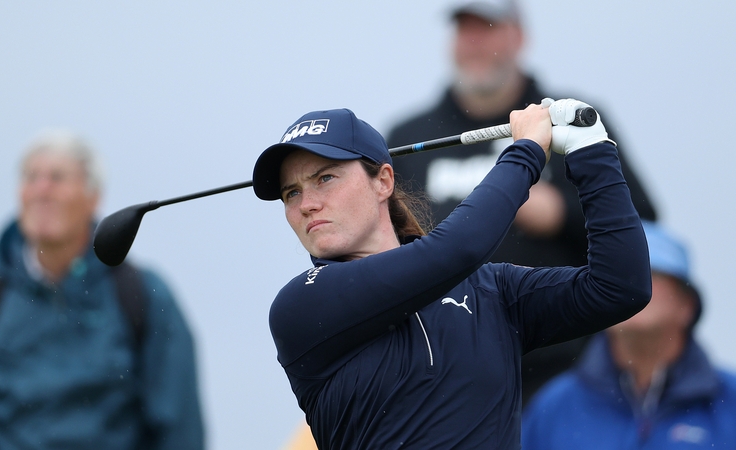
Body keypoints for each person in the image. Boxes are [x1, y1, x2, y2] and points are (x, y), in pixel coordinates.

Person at [251, 99, 651, 449]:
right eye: (292, 193)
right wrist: (527, 151)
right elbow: (457, 249)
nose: (306, 204)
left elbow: (619, 286)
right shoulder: (301, 307)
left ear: (383, 181)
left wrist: (593, 151)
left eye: (325, 178)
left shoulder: (491, 290)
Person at [385, 0, 659, 405]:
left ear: (519, 36)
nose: (474, 43)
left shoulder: (572, 119)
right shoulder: (412, 135)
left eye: (488, 29)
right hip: (448, 370)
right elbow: (384, 251)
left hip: (565, 369)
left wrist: (563, 213)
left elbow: (642, 223)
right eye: (465, 31)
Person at [0, 130, 206, 449]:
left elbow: (179, 429)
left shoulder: (143, 296)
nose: (42, 189)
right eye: (31, 177)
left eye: (57, 178)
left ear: (93, 196)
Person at [521, 222, 736, 449]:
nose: (629, 286)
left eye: (650, 273)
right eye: (613, 277)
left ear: (687, 305)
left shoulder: (730, 401)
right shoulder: (555, 406)